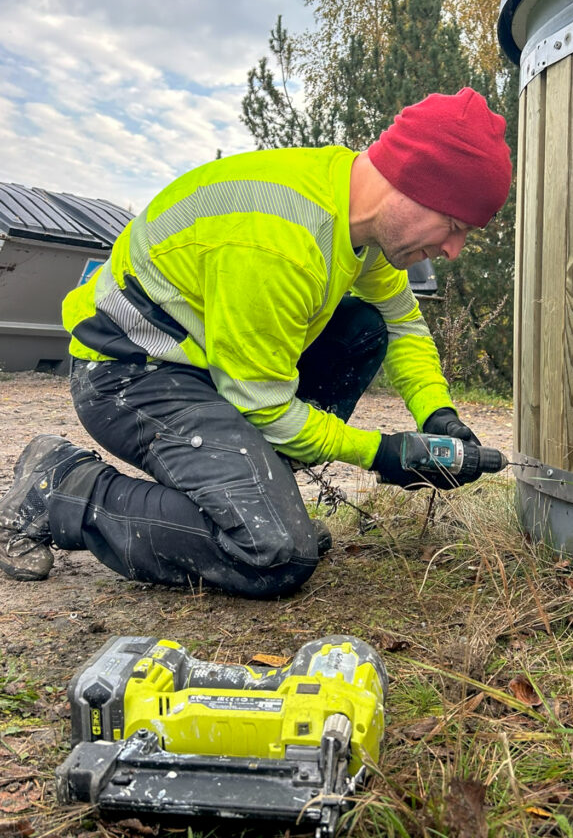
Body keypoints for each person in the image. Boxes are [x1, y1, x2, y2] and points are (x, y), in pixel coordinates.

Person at [0, 88, 511, 596]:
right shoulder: (279, 241)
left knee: (364, 329)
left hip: (205, 368)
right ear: (413, 183)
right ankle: (62, 487)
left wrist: (437, 415)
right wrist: (383, 453)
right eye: (454, 226)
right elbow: (267, 407)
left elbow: (403, 323)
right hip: (128, 375)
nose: (452, 249)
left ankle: (256, 492)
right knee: (275, 555)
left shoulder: (355, 217)